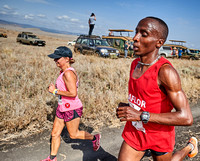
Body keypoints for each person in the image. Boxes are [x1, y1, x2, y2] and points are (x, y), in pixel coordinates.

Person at [116, 17, 198, 161]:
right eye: (136, 32)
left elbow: (186, 117)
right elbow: (144, 99)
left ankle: (189, 147)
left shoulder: (165, 72)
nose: (135, 38)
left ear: (159, 42)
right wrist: (129, 108)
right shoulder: (135, 64)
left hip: (159, 135)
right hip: (136, 132)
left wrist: (141, 115)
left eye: (144, 34)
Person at [41, 46, 101, 161]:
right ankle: (52, 158)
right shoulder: (63, 72)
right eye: (54, 58)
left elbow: (73, 93)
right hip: (62, 107)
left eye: (57, 58)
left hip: (71, 108)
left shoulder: (68, 73)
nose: (55, 60)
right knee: (55, 133)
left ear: (67, 59)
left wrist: (54, 91)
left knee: (73, 134)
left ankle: (94, 138)